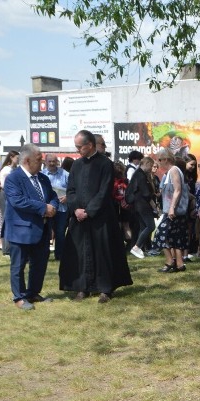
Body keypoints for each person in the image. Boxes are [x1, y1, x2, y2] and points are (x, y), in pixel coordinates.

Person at [59, 129, 133, 303]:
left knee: (103, 252)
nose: (77, 150)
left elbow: (104, 191)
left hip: (100, 217)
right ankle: (82, 287)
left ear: (90, 145)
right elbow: (71, 190)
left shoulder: (105, 164)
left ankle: (105, 289)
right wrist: (76, 209)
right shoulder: (76, 165)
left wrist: (89, 211)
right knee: (80, 253)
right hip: (79, 218)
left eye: (79, 147)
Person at [3, 144, 59, 310]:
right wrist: (44, 208)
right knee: (18, 266)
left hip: (42, 229)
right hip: (21, 230)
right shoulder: (14, 178)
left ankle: (33, 293)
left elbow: (53, 196)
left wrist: (53, 207)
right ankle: (19, 297)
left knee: (40, 263)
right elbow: (18, 201)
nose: (42, 162)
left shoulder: (42, 178)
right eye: (39, 159)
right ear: (27, 160)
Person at [151, 149, 189, 272]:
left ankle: (169, 261)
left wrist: (172, 207)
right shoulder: (170, 172)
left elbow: (178, 189)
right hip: (174, 210)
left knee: (160, 235)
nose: (158, 163)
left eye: (160, 160)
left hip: (174, 211)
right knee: (175, 238)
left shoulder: (173, 170)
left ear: (166, 159)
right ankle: (179, 264)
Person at [128, 156, 158, 259]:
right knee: (150, 226)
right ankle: (136, 247)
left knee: (143, 227)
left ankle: (139, 247)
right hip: (142, 205)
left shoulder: (137, 174)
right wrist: (154, 206)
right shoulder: (140, 175)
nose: (151, 168)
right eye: (150, 166)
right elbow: (146, 193)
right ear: (145, 164)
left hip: (137, 205)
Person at [43, 153, 69, 261]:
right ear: (45, 162)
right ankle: (44, 255)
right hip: (47, 209)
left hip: (62, 209)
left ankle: (60, 255)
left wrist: (68, 197)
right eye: (50, 161)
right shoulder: (41, 175)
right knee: (46, 233)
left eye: (54, 161)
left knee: (60, 232)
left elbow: (73, 189)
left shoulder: (65, 174)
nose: (52, 163)